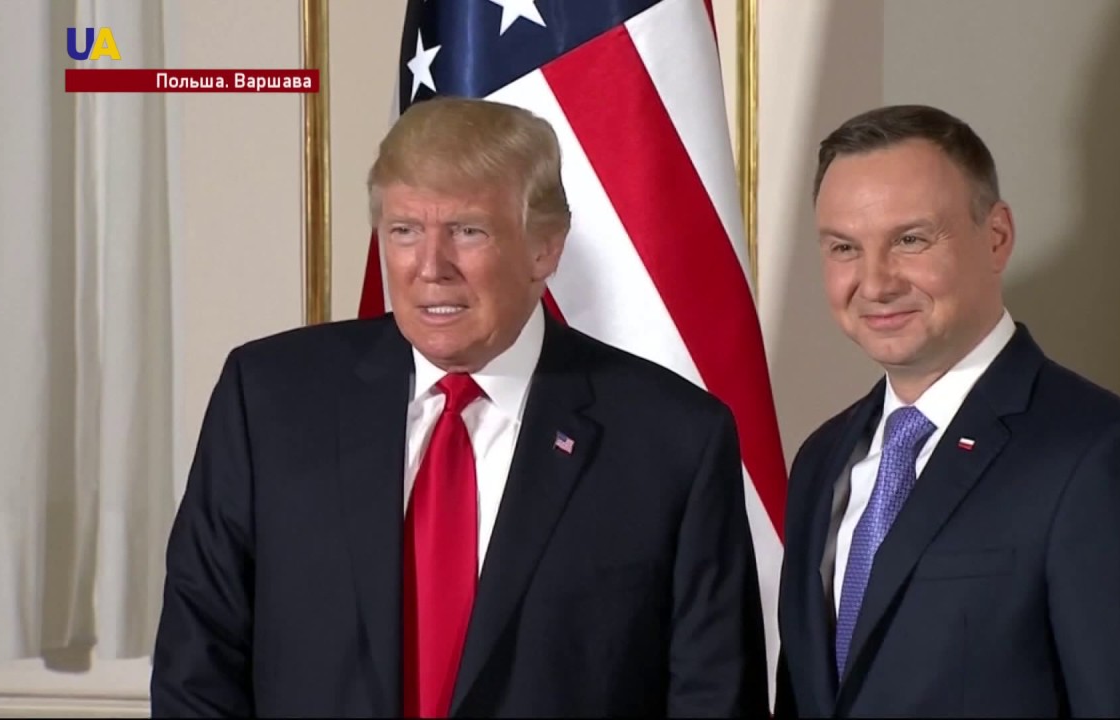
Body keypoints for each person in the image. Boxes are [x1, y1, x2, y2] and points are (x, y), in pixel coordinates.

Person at [151, 96, 768, 718]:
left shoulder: (671, 439)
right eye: (404, 231)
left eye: (468, 231)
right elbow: (198, 662)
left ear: (545, 247)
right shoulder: (270, 400)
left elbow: (713, 695)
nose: (430, 267)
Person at [774, 104, 1120, 717]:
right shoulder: (821, 460)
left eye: (910, 240)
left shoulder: (1104, 460)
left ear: (997, 236)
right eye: (845, 247)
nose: (874, 283)